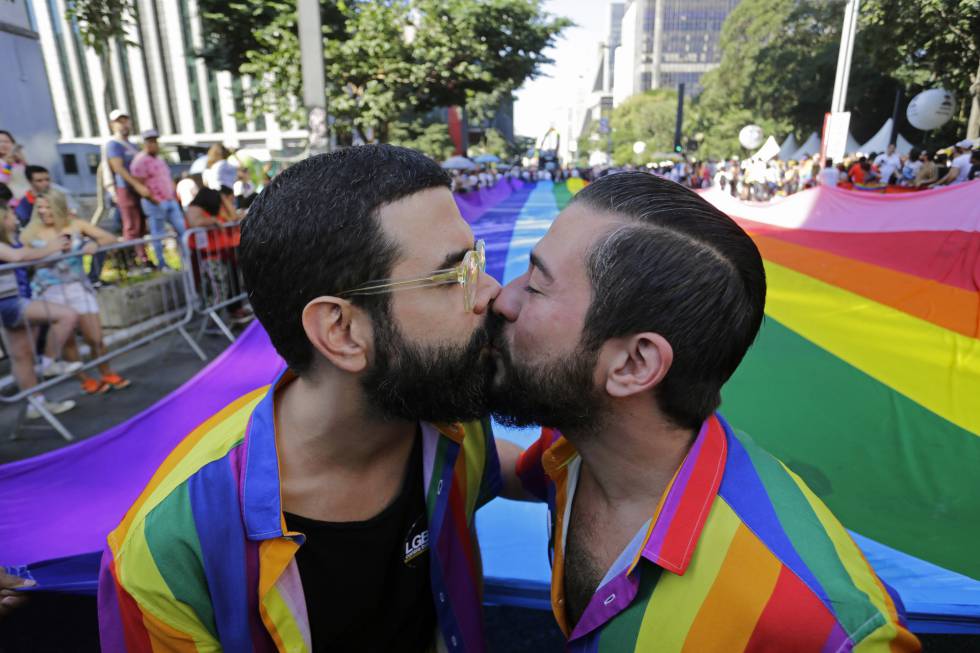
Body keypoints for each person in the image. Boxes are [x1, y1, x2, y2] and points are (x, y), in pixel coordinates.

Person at [487, 172, 920, 652]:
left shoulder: (832, 628)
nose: (502, 297)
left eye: (537, 285)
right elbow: (512, 470)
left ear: (634, 364)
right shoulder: (576, 450)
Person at [99, 145, 504, 652]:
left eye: (478, 259)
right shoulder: (168, 551)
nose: (494, 292)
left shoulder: (450, 425)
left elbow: (531, 466)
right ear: (342, 331)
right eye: (455, 275)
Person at [21, 191, 131, 394]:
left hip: (78, 287)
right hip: (49, 291)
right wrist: (45, 255)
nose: (44, 211)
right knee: (67, 340)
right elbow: (22, 261)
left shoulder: (76, 225)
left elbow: (109, 237)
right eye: (40, 208)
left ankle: (106, 372)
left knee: (95, 337)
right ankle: (85, 380)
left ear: (59, 207)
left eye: (47, 207)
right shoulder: (29, 234)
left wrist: (93, 244)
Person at [0, 186, 81, 417]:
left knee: (22, 355)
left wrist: (52, 251)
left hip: (17, 300)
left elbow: (27, 259)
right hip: (9, 304)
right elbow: (18, 257)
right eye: (11, 215)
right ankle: (50, 362)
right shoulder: (5, 246)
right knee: (67, 315)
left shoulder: (12, 240)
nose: (16, 217)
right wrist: (51, 247)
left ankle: (36, 404)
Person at [129, 129, 185, 270]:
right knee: (158, 235)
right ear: (144, 143)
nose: (154, 144)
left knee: (182, 230)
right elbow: (138, 184)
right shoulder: (139, 161)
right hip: (154, 203)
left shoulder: (159, 160)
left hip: (170, 201)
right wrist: (153, 200)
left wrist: (174, 196)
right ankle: (162, 264)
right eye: (150, 141)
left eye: (155, 141)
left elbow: (168, 178)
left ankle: (187, 261)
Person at [104, 110, 153, 262]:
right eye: (120, 121)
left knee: (140, 225)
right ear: (113, 125)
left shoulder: (132, 145)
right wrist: (136, 185)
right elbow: (118, 168)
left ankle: (142, 257)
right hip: (125, 189)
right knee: (131, 226)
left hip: (138, 190)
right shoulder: (113, 144)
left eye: (126, 120)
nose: (124, 124)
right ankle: (131, 260)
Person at [0, 130, 29, 202]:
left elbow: (30, 176)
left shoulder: (19, 160)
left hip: (29, 198)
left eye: (6, 141)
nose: (3, 144)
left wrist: (23, 161)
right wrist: (8, 166)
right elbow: (2, 183)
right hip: (12, 202)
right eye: (0, 142)